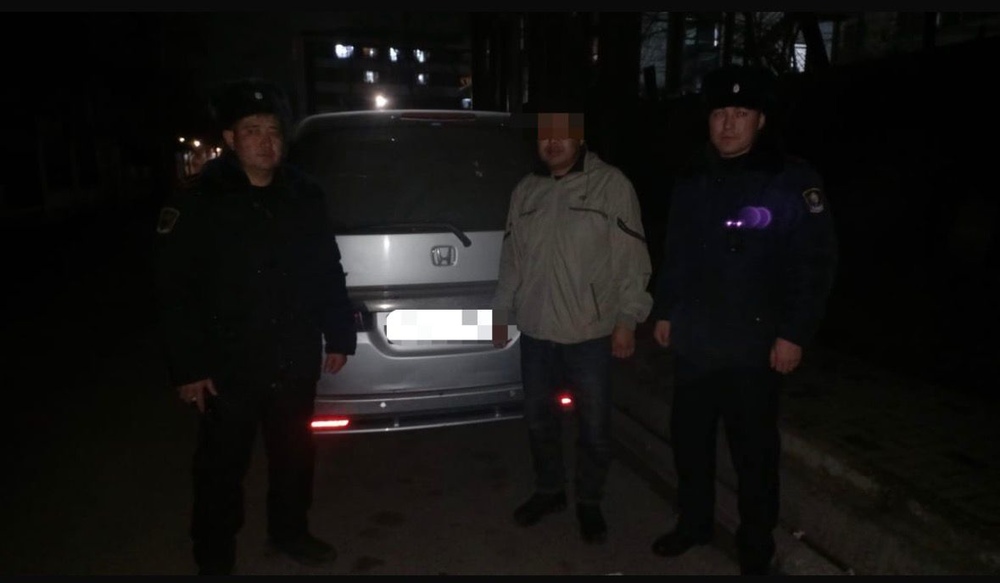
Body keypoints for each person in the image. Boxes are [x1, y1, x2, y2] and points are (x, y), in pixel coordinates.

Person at [154, 78, 357, 575]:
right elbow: (174, 289)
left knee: (295, 457)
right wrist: (189, 367)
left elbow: (327, 268)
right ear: (230, 138)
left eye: (273, 131)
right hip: (229, 364)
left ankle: (290, 532)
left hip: (292, 356)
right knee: (220, 467)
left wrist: (339, 333)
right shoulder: (200, 200)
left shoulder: (304, 194)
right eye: (252, 130)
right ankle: (214, 553)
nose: (266, 141)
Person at [648, 65, 838, 574]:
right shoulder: (693, 176)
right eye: (719, 113)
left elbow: (814, 263)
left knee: (753, 453)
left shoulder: (790, 179)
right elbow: (676, 252)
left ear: (760, 120)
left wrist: (794, 332)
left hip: (754, 346)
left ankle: (756, 542)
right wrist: (665, 310)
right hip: (696, 342)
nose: (728, 124)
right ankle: (695, 522)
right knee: (690, 442)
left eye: (741, 113)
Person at [491, 93, 654, 544]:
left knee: (594, 427)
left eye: (563, 133)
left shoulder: (611, 186)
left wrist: (628, 319)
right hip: (536, 332)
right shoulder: (526, 191)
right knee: (538, 421)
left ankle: (589, 500)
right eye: (546, 134)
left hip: (590, 333)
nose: (553, 142)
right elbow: (511, 260)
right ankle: (550, 491)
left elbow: (632, 260)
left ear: (580, 136)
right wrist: (500, 313)